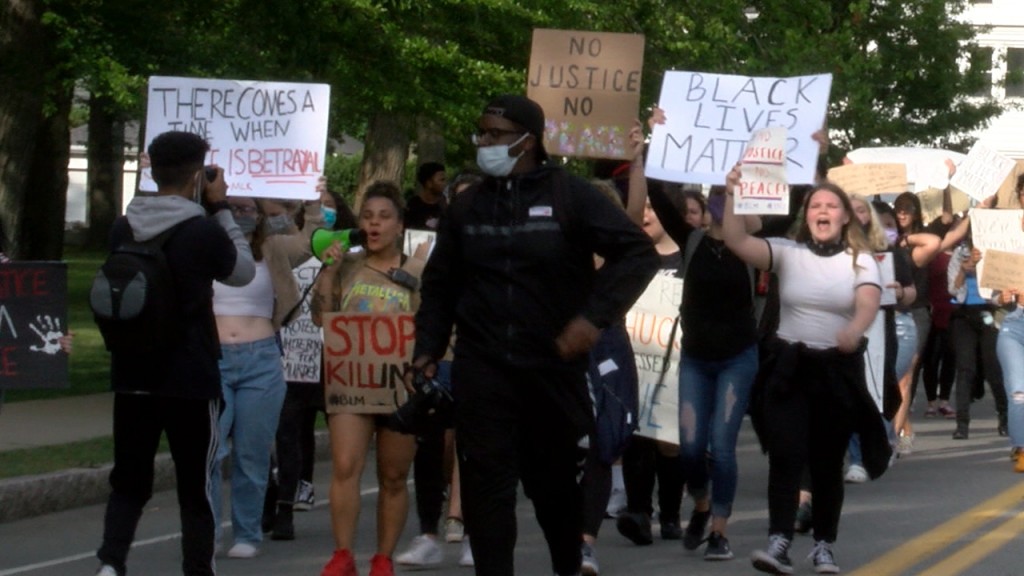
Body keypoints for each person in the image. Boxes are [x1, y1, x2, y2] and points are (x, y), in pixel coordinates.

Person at [408, 94, 660, 576]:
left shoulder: (571, 195)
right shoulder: (467, 208)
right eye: (480, 133)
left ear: (527, 141)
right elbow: (440, 287)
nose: (483, 143)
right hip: (483, 372)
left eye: (494, 135)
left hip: (550, 370)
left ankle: (568, 563)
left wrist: (592, 318)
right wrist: (427, 351)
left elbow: (637, 256)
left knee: (554, 491)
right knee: (487, 492)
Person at [94, 131, 255, 576]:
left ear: (152, 169)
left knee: (128, 479)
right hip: (189, 376)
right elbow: (241, 272)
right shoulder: (201, 230)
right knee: (195, 485)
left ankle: (110, 562)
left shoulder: (122, 226)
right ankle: (197, 570)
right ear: (198, 175)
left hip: (132, 373)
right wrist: (221, 208)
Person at [722, 169, 886, 575]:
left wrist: (854, 328)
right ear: (806, 215)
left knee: (827, 462)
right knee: (787, 453)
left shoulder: (860, 259)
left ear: (846, 216)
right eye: (816, 205)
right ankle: (778, 541)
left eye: (832, 205)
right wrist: (730, 195)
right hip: (789, 369)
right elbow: (736, 240)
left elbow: (868, 301)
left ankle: (823, 545)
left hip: (835, 371)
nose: (824, 211)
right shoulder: (788, 252)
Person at [312, 181, 425, 576]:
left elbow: (431, 327)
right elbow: (321, 318)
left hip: (399, 387)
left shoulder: (416, 270)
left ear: (399, 225)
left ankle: (383, 558)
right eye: (368, 217)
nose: (374, 225)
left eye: (384, 217)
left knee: (393, 475)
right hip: (350, 385)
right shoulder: (346, 266)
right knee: (345, 465)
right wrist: (327, 272)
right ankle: (343, 555)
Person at [210, 193, 324, 554]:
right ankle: (207, 531)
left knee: (251, 452)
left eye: (248, 209)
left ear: (260, 215)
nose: (241, 215)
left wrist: (314, 205)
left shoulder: (272, 248)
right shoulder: (205, 246)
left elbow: (310, 246)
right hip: (213, 360)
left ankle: (246, 533)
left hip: (260, 360)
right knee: (209, 452)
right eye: (233, 207)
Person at [271, 180, 358, 538]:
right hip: (292, 359)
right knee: (287, 436)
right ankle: (283, 510)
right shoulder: (287, 250)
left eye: (329, 205)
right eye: (316, 205)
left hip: (332, 361)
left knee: (343, 442)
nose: (324, 210)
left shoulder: (353, 255)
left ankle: (345, 498)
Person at [947, 238, 1008, 440]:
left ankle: (1005, 418)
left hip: (988, 313)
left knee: (993, 369)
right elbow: (953, 290)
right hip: (964, 315)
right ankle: (962, 424)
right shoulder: (959, 253)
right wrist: (965, 270)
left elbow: (1000, 292)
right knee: (965, 369)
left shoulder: (996, 251)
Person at [405, 162, 447, 231]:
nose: (445, 183)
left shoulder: (445, 205)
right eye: (441, 180)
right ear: (429, 183)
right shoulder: (412, 206)